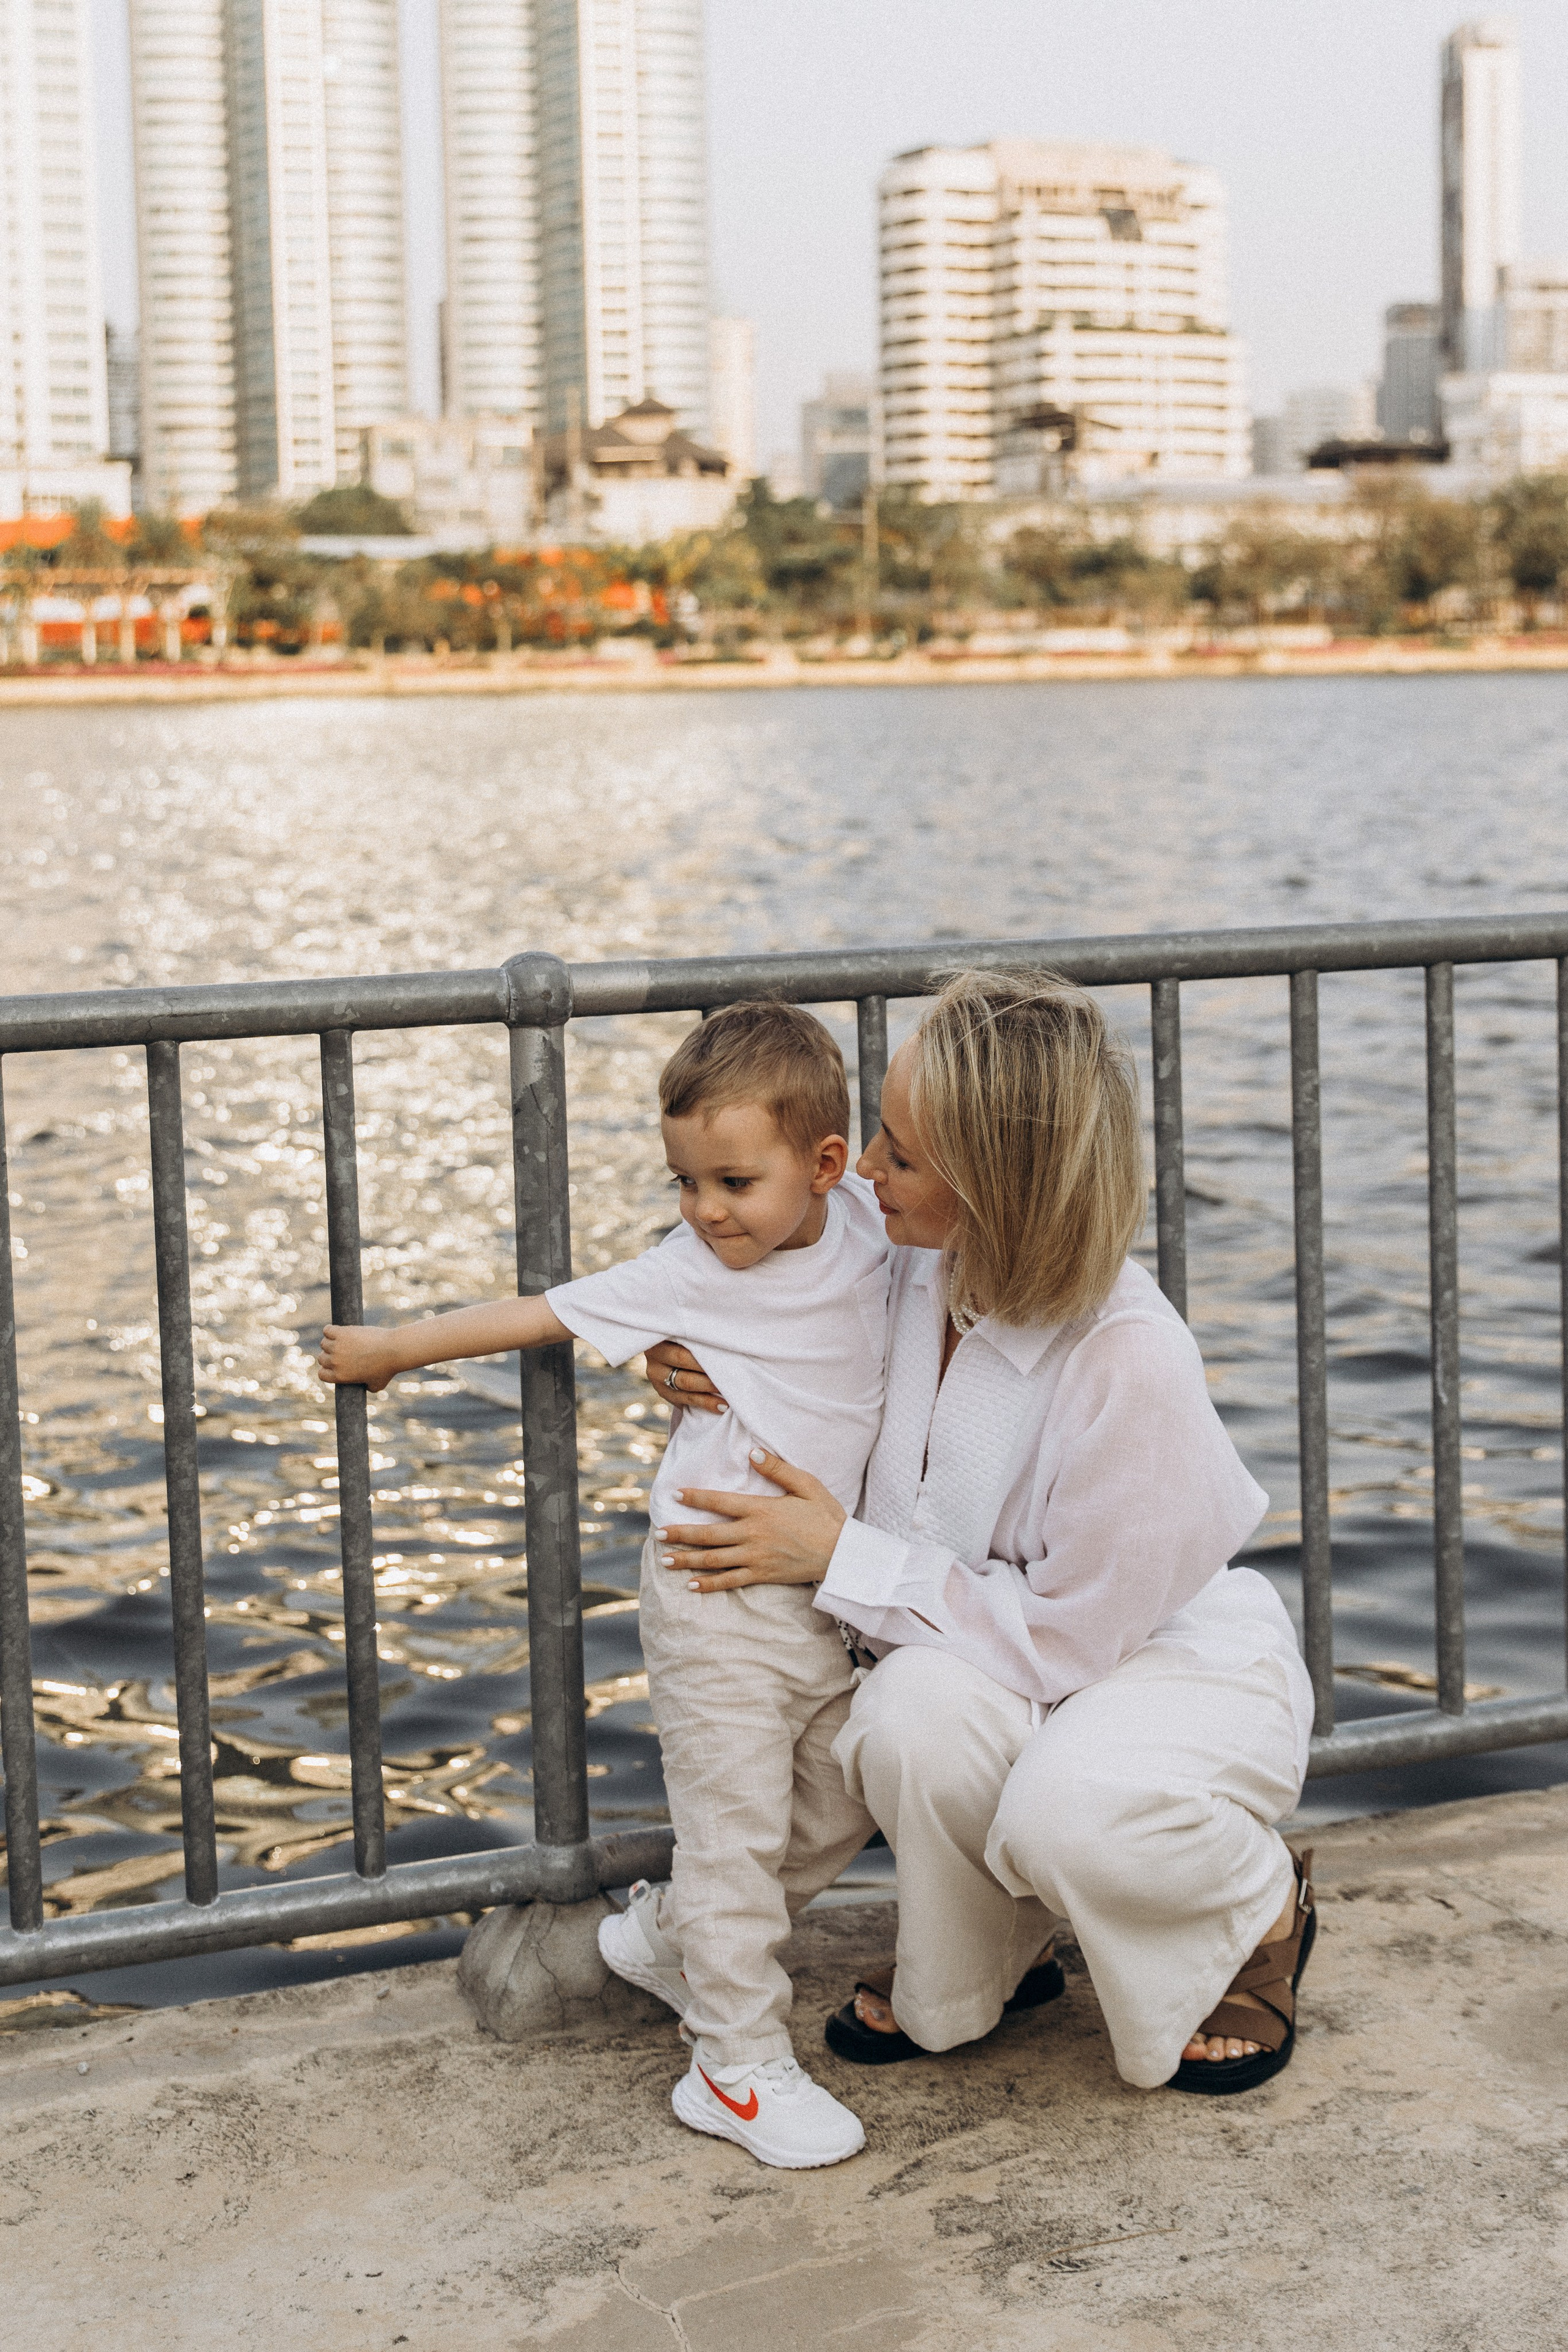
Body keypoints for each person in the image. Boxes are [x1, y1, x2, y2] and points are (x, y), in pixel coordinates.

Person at [645, 968, 1318, 2097]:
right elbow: (754, 1241)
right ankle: (977, 1977)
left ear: (994, 1178)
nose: (863, 1169)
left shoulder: (1129, 1357)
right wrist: (692, 1350)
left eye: (900, 1153)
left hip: (1150, 1651)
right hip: (997, 1626)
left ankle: (1257, 1906)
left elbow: (1069, 1640)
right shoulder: (900, 1250)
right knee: (904, 1717)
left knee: (1074, 1816)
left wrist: (836, 1555)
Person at [318, 1000, 888, 2169]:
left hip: (835, 1589)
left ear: (828, 1165)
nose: (704, 1210)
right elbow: (537, 1313)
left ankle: (670, 1939)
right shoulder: (689, 1271)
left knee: (846, 1796)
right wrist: (391, 1351)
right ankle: (732, 2065)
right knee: (733, 1837)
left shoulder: (877, 1221)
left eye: (732, 1181)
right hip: (716, 1592)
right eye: (685, 1182)